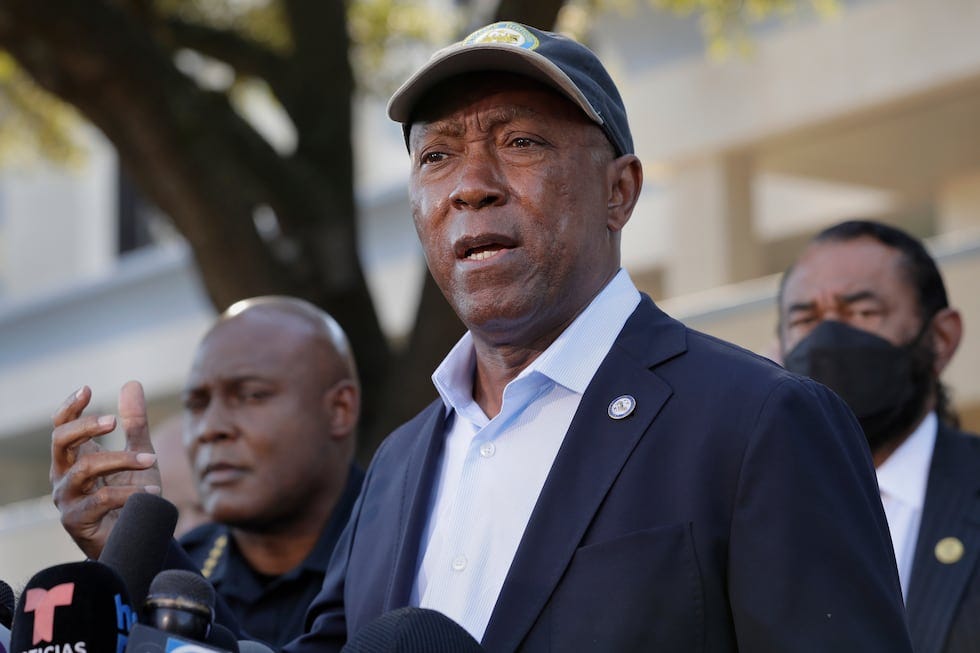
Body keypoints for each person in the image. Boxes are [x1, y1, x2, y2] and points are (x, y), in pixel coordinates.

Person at [51, 21, 914, 653]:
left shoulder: (763, 421)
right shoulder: (397, 464)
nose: (471, 185)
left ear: (620, 191)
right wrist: (143, 549)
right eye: (437, 156)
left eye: (522, 141)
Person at [50, 296, 364, 649]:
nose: (210, 428)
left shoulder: (410, 543)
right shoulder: (179, 564)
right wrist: (132, 546)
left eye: (251, 395)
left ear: (339, 409)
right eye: (197, 404)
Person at [779, 220, 980, 653]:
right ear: (778, 349)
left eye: (863, 313)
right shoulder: (744, 512)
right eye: (805, 319)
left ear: (941, 338)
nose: (829, 339)